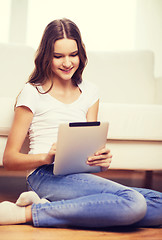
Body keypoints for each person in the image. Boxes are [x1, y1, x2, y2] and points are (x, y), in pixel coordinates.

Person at [1, 18, 162, 228]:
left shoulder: (90, 93)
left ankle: (55, 207)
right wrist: (46, 157)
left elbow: (89, 156)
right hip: (44, 175)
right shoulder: (32, 93)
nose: (67, 63)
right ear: (45, 56)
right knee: (134, 204)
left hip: (78, 176)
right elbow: (9, 159)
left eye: (73, 54)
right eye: (58, 56)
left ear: (81, 53)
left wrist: (100, 162)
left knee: (157, 203)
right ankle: (27, 213)